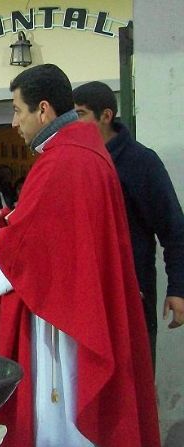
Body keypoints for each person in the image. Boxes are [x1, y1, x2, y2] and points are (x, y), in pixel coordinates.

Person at [0, 64, 160, 447]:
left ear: (43, 110)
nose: (13, 122)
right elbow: (57, 227)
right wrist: (9, 217)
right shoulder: (83, 151)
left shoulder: (62, 160)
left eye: (17, 110)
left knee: (60, 410)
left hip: (65, 316)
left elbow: (43, 247)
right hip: (80, 301)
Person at [73, 81, 184, 364]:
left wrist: (178, 289)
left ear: (106, 116)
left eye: (81, 114)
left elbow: (173, 229)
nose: (74, 123)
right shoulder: (77, 161)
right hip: (89, 294)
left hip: (133, 292)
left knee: (135, 374)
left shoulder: (141, 162)